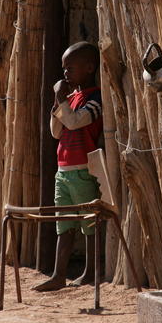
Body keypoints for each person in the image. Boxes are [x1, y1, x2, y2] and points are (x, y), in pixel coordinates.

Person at [33, 41, 103, 292]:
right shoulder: (71, 98)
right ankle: (58, 275)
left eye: (70, 68)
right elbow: (56, 132)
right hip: (63, 170)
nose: (65, 74)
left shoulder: (95, 98)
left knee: (89, 223)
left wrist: (61, 100)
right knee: (64, 224)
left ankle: (91, 272)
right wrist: (59, 101)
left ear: (89, 68)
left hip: (83, 169)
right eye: (64, 69)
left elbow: (73, 123)